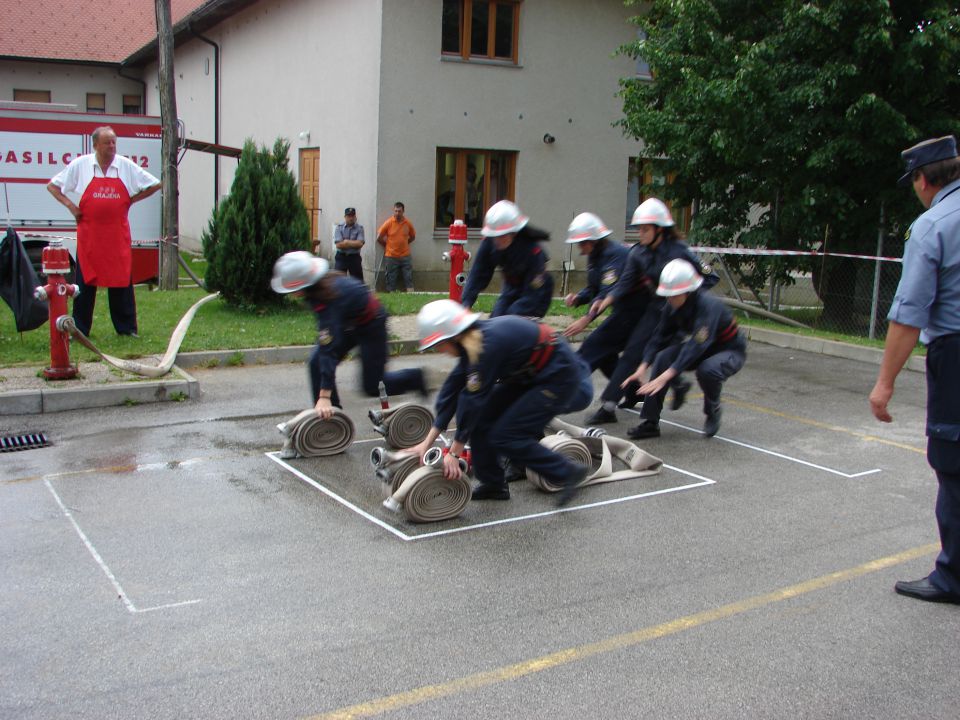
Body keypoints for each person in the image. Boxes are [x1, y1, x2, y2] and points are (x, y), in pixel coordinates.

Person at [870, 135, 960, 605]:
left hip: (955, 354)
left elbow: (909, 313)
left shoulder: (934, 225)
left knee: (953, 464)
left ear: (924, 180)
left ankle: (954, 577)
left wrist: (884, 384)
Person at [402, 299, 593, 506]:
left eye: (439, 345)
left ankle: (568, 472)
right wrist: (426, 443)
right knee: (483, 418)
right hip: (531, 375)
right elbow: (451, 393)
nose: (440, 351)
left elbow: (472, 400)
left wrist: (454, 454)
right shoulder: (472, 343)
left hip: (558, 377)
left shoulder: (484, 348)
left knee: (507, 435)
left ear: (454, 336)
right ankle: (494, 484)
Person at [582, 198, 717, 425]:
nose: (640, 234)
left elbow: (710, 277)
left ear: (659, 230)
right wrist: (604, 302)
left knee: (660, 354)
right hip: (655, 310)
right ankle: (611, 405)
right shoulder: (638, 253)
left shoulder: (680, 251)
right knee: (636, 353)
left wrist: (685, 298)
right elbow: (624, 283)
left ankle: (621, 405)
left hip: (679, 310)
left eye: (645, 229)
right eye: (639, 229)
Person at [271, 251, 426, 417]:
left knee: (372, 386)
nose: (291, 293)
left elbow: (328, 347)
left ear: (303, 284)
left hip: (372, 325)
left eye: (292, 288)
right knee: (316, 362)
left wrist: (324, 395)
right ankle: (332, 416)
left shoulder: (329, 297)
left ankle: (414, 378)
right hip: (349, 323)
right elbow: (328, 342)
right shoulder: (318, 290)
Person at [46, 126, 160, 337]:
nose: (112, 146)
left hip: (117, 235)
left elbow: (154, 184)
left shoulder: (125, 166)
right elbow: (53, 186)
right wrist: (72, 207)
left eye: (114, 142)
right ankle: (79, 327)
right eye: (107, 142)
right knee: (84, 282)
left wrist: (131, 200)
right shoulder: (81, 166)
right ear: (96, 145)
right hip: (90, 235)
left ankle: (126, 329)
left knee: (122, 281)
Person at [622, 258, 746, 439]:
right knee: (663, 358)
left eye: (674, 294)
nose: (669, 298)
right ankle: (650, 422)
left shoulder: (708, 307)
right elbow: (659, 337)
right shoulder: (672, 306)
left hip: (729, 350)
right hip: (703, 347)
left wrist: (667, 376)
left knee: (707, 370)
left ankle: (713, 411)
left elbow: (697, 345)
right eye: (667, 294)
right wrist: (642, 368)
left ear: (688, 291)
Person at [559, 213, 633, 424]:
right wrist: (578, 298)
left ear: (593, 240)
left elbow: (606, 293)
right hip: (621, 313)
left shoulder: (615, 255)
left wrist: (585, 320)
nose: (580, 249)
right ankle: (634, 390)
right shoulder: (595, 256)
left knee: (589, 350)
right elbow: (594, 288)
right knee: (606, 355)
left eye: (582, 244)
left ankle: (569, 398)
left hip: (634, 314)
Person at [460, 200, 554, 318]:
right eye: (494, 236)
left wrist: (511, 317)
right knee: (495, 320)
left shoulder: (533, 251)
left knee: (511, 321)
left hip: (536, 292)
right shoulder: (489, 242)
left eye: (502, 236)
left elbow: (533, 293)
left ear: (514, 233)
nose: (497, 240)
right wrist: (466, 303)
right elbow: (478, 274)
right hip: (511, 288)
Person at [376, 202, 416, 292]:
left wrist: (405, 243)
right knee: (391, 279)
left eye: (399, 211)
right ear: (393, 211)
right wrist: (387, 245)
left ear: (403, 211)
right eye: (396, 211)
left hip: (405, 255)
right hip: (391, 256)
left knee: (408, 278)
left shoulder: (407, 223)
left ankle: (411, 295)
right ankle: (392, 295)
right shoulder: (389, 222)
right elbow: (379, 238)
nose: (397, 213)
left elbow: (413, 237)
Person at [334, 207, 365, 281]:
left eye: (352, 216)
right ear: (345, 217)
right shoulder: (339, 228)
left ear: (355, 217)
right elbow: (338, 245)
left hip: (354, 258)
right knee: (338, 280)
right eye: (349, 216)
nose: (351, 218)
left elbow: (360, 244)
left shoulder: (360, 228)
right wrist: (354, 243)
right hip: (341, 257)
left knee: (358, 281)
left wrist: (346, 242)